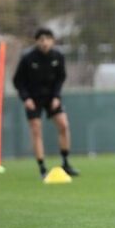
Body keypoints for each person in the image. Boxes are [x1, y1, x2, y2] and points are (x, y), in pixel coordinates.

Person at [12, 28, 79, 179]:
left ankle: (66, 163)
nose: (44, 42)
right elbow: (18, 81)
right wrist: (26, 98)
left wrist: (56, 96)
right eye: (41, 39)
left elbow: (61, 77)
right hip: (33, 99)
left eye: (47, 39)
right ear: (36, 42)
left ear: (53, 41)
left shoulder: (58, 56)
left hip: (51, 97)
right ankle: (42, 168)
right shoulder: (27, 58)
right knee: (36, 129)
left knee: (63, 124)